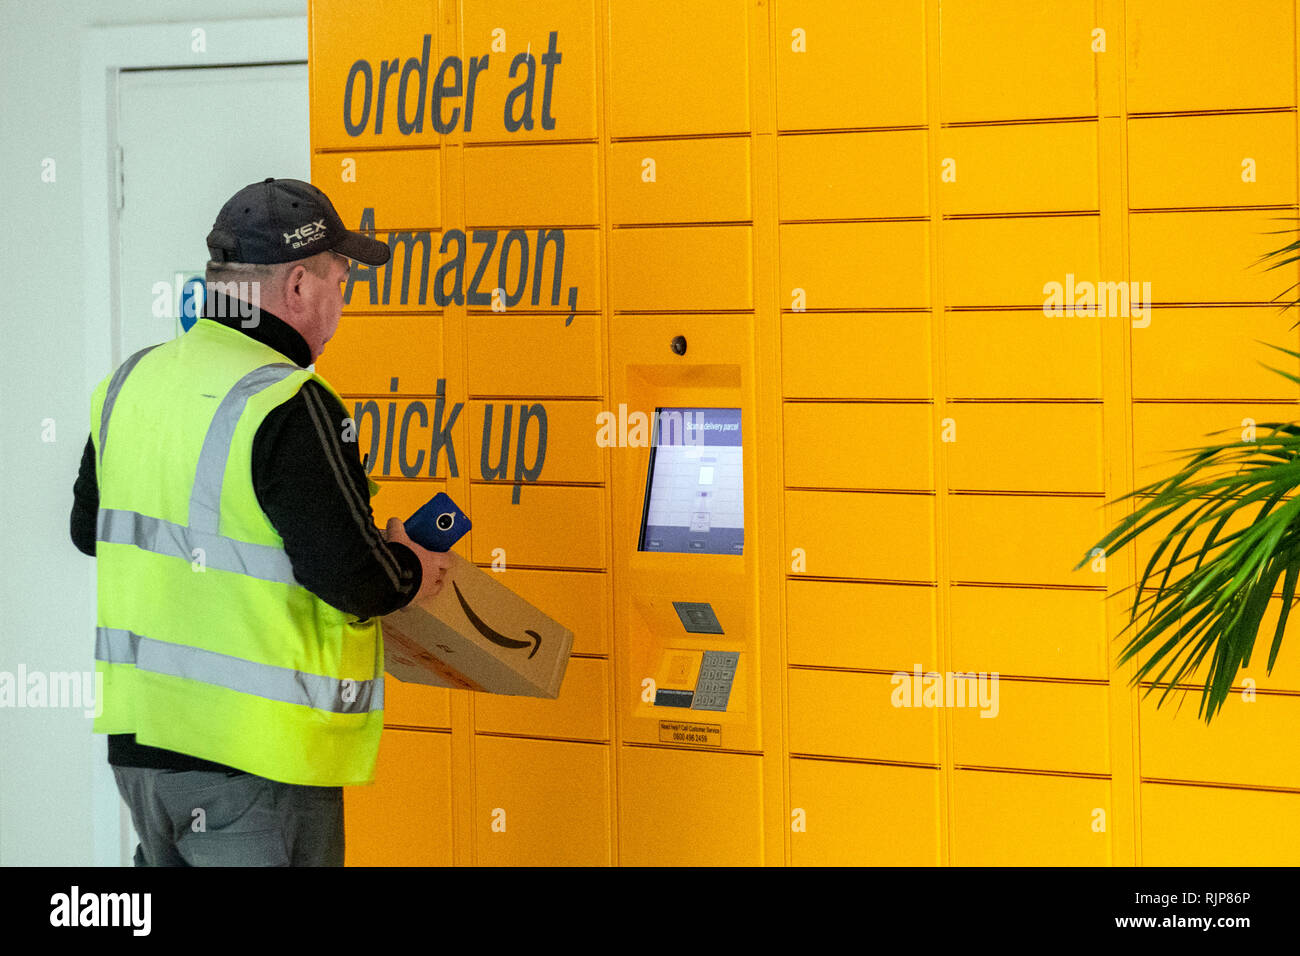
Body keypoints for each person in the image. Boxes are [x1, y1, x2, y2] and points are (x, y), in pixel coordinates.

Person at [69, 177, 452, 866]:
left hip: (144, 757)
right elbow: (354, 578)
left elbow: (87, 530)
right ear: (300, 286)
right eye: (342, 280)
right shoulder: (289, 402)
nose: (342, 302)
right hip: (253, 767)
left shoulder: (132, 381)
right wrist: (412, 568)